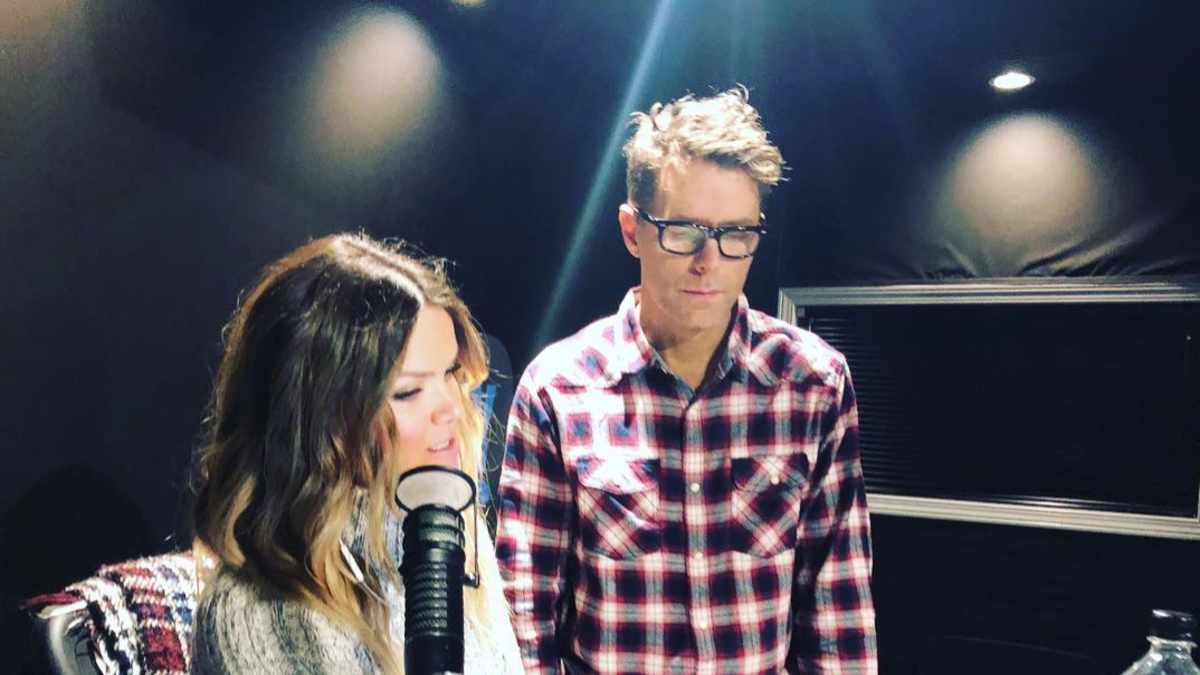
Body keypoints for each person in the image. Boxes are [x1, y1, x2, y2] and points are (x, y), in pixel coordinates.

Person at [496, 86, 877, 675]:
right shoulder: (557, 391)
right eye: (683, 231)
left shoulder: (812, 385)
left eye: (736, 235)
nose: (709, 262)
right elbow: (524, 620)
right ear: (632, 230)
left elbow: (838, 615)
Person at [189, 233, 522, 675]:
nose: (453, 408)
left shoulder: (449, 534)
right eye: (408, 392)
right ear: (320, 422)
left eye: (451, 374)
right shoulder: (255, 614)